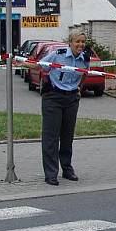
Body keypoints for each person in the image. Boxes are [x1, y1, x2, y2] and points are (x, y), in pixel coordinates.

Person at [22, 30, 89, 186]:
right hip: (53, 97)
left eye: (82, 42)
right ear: (70, 43)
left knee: (67, 136)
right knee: (51, 137)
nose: (80, 45)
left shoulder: (84, 58)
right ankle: (51, 173)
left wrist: (79, 87)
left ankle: (67, 169)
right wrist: (22, 62)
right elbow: (41, 66)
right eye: (77, 42)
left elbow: (84, 74)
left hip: (72, 99)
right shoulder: (57, 55)